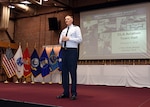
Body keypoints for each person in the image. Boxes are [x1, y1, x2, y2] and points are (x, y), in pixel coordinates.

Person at [57, 15, 82, 100]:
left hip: (72, 51)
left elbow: (80, 39)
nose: (66, 20)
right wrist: (62, 40)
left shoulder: (76, 28)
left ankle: (74, 93)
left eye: (68, 19)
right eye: (65, 19)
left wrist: (69, 39)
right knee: (64, 72)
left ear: (72, 20)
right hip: (64, 51)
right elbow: (60, 41)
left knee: (72, 72)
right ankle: (65, 92)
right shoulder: (63, 31)